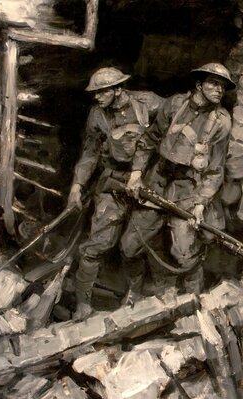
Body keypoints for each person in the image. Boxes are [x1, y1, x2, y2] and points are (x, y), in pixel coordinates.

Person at [120, 62, 234, 297]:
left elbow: (215, 169)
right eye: (213, 83)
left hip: (189, 187)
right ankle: (138, 294)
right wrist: (136, 173)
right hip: (158, 179)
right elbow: (150, 139)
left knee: (184, 252)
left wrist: (201, 203)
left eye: (222, 86)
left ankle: (194, 300)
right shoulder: (174, 104)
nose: (219, 90)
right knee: (130, 245)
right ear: (199, 84)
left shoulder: (221, 121)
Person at [67, 67, 159, 320]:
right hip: (112, 184)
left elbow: (173, 133)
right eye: (95, 93)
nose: (97, 97)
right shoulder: (97, 115)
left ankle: (136, 296)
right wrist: (78, 184)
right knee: (96, 245)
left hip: (147, 186)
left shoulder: (148, 103)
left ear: (119, 89)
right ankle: (83, 306)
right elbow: (90, 152)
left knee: (133, 246)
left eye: (101, 92)